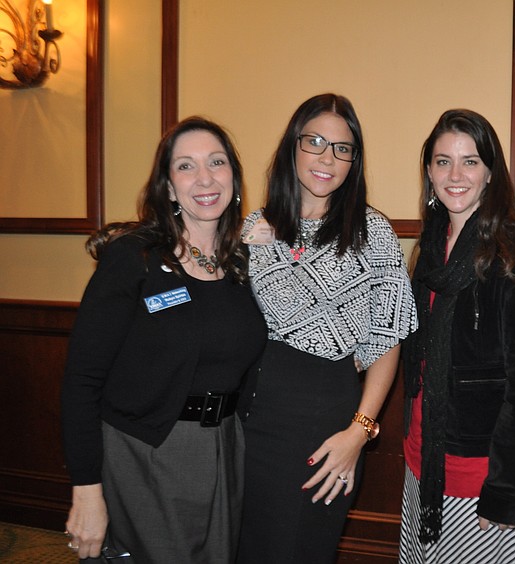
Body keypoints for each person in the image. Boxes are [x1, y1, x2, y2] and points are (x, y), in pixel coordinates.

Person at [61, 116, 267, 562]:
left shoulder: (245, 264)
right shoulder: (133, 258)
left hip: (226, 447)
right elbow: (81, 380)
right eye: (186, 167)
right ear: (169, 188)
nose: (206, 178)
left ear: (233, 177)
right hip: (146, 449)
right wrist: (86, 489)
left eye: (217, 163)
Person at [237, 93, 417, 563]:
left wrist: (359, 432)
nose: (326, 157)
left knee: (300, 549)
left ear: (353, 161)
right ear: (291, 147)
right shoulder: (254, 228)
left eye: (342, 148)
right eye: (314, 141)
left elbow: (387, 340)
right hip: (248, 417)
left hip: (323, 419)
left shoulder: (372, 233)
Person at [399, 109, 515, 564]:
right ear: (428, 171)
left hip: (485, 474)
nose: (455, 175)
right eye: (442, 161)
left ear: (491, 171)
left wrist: (504, 491)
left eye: (470, 161)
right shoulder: (431, 244)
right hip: (425, 461)